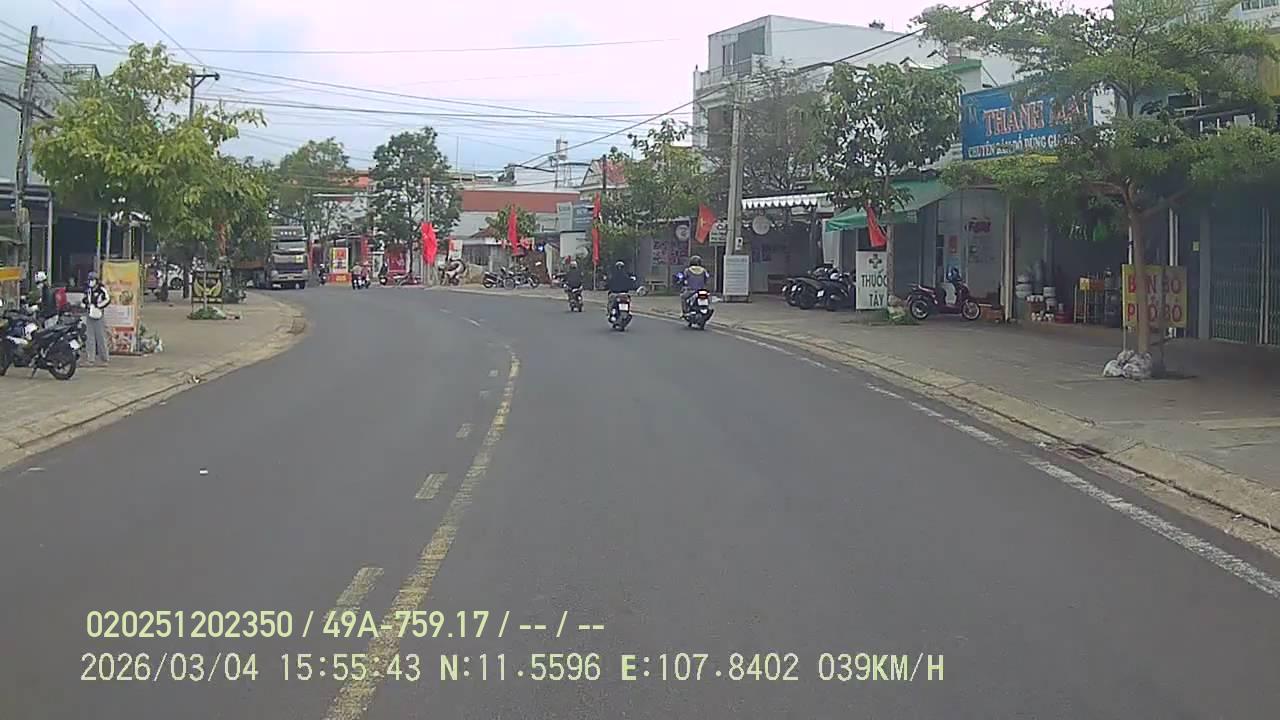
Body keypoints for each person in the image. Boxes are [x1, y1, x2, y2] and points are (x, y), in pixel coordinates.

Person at [82, 271, 112, 366]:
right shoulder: (88, 290)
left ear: (96, 280)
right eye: (89, 280)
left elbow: (108, 299)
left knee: (101, 337)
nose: (91, 282)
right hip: (89, 314)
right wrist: (86, 305)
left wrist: (99, 306)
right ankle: (90, 359)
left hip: (98, 315)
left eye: (92, 280)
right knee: (89, 337)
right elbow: (84, 300)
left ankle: (104, 359)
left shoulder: (101, 289)